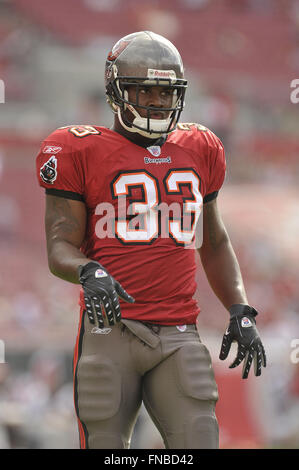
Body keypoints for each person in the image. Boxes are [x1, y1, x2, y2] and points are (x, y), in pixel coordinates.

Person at [36, 31, 266, 449]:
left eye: (165, 92)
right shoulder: (76, 149)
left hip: (179, 330)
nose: (157, 102)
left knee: (199, 441)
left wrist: (240, 308)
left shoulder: (200, 147)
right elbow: (59, 246)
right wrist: (89, 269)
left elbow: (212, 241)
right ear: (115, 89)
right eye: (145, 91)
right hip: (109, 329)